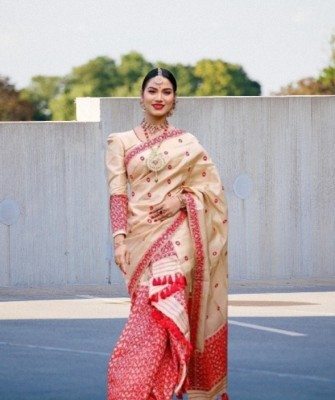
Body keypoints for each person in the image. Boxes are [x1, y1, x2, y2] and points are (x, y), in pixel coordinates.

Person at [106, 67, 229, 400]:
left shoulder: (187, 143)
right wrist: (118, 240)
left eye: (166, 92)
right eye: (153, 91)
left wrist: (182, 199)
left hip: (178, 240)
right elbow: (118, 194)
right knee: (148, 322)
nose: (159, 97)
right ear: (141, 97)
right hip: (138, 239)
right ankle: (144, 390)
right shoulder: (120, 141)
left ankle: (144, 389)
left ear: (174, 99)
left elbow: (211, 188)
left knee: (164, 311)